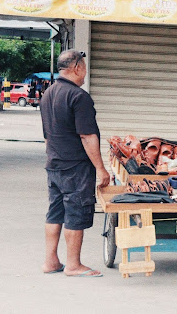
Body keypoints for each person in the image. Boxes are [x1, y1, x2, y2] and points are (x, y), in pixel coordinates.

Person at [40, 50, 110, 277]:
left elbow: (47, 136)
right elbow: (87, 136)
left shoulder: (48, 94)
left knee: (55, 212)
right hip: (75, 168)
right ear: (77, 67)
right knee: (75, 212)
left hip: (54, 164)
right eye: (85, 67)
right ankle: (73, 265)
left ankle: (50, 261)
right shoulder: (79, 97)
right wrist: (101, 168)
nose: (86, 73)